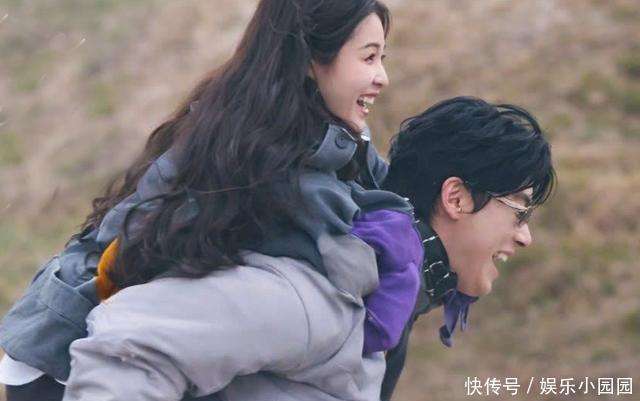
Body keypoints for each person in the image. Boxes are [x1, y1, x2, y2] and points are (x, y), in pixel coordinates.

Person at [0, 1, 424, 400]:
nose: (382, 77)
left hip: (125, 338)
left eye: (383, 58)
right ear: (312, 61)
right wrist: (399, 239)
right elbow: (335, 238)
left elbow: (379, 195)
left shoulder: (323, 134)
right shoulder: (251, 140)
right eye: (369, 58)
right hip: (60, 354)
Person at [379, 96, 556, 400]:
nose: (526, 238)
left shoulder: (386, 290)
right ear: (456, 199)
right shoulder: (353, 297)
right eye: (519, 212)